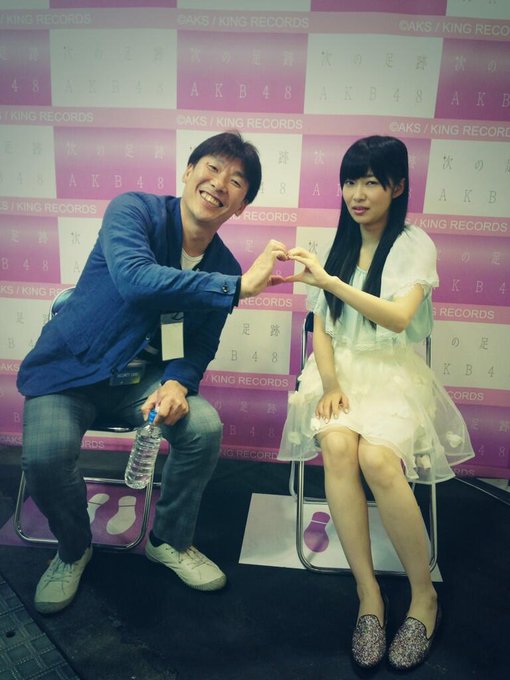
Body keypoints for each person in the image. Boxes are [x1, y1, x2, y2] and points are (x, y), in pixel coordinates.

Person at [17, 131, 287, 615]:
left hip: (142, 382)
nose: (219, 183)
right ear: (188, 171)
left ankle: (169, 541)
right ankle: (73, 549)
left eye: (236, 180)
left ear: (242, 205)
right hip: (72, 369)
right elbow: (135, 280)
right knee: (45, 456)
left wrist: (178, 381)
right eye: (212, 167)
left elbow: (199, 341)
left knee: (203, 427)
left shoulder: (223, 264)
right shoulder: (133, 211)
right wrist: (237, 287)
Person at [278, 136, 474, 671]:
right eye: (350, 182)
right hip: (338, 372)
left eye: (370, 182)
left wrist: (331, 282)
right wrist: (330, 382)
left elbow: (398, 318)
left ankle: (423, 596)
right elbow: (321, 329)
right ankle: (369, 595)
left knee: (378, 460)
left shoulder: (413, 243)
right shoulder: (337, 243)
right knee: (339, 447)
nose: (357, 195)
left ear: (397, 186)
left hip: (392, 372)